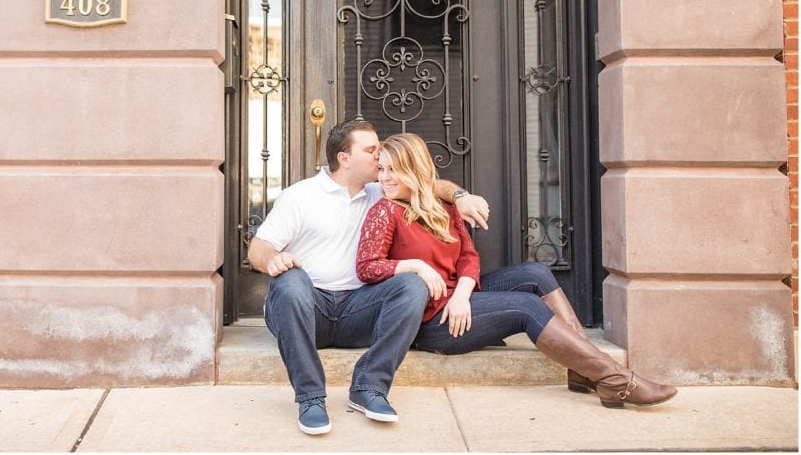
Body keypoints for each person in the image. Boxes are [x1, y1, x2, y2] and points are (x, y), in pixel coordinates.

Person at [356, 133, 678, 409]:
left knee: (535, 272)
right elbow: (367, 268)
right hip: (430, 320)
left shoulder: (444, 207)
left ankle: (583, 371)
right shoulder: (385, 211)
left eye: (394, 169)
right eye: (382, 169)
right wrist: (418, 268)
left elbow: (469, 256)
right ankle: (615, 379)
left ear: (415, 170)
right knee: (525, 307)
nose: (385, 177)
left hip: (457, 300)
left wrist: (463, 294)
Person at [248, 119, 490, 435]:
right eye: (371, 150)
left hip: (359, 309)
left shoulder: (380, 189)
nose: (380, 157)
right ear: (344, 158)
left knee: (412, 284)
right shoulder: (300, 196)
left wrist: (460, 195)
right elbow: (257, 249)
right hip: (308, 308)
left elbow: (428, 183)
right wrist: (274, 259)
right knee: (291, 279)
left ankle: (369, 387)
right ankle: (310, 398)